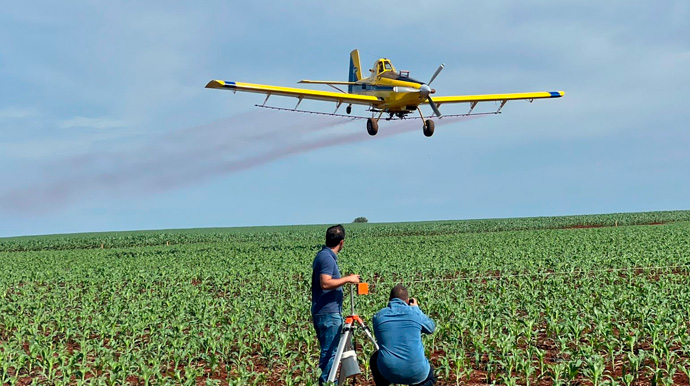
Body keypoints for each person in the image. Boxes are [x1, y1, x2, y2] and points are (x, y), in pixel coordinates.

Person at [311, 224, 360, 385]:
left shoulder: (325, 256)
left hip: (328, 312)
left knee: (333, 352)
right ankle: (327, 383)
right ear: (342, 242)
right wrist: (348, 279)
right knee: (330, 353)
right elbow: (325, 283)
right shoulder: (326, 258)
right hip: (328, 313)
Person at [370, 284, 436, 386]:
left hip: (388, 372)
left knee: (375, 358)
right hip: (416, 373)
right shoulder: (414, 313)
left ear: (390, 299)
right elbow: (431, 328)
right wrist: (416, 309)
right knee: (429, 375)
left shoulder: (378, 316)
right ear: (408, 300)